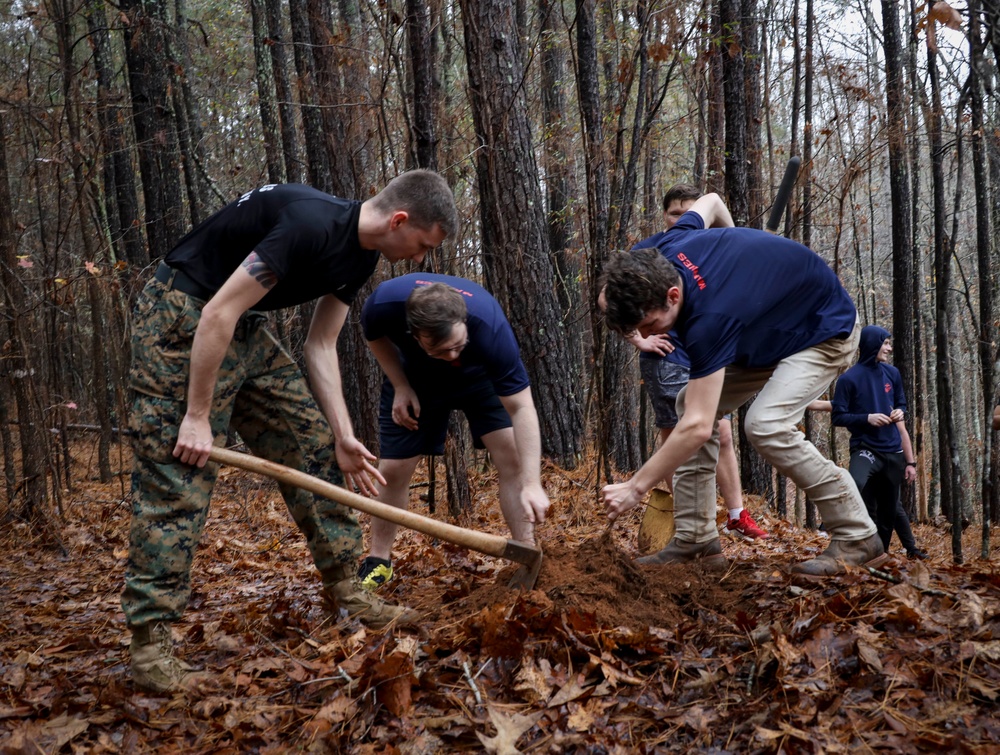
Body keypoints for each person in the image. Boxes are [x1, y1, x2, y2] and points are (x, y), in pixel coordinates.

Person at [124, 171, 459, 693]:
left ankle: (350, 585)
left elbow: (321, 344)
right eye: (421, 245)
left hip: (243, 328)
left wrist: (344, 434)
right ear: (399, 220)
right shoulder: (309, 223)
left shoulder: (361, 256)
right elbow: (216, 312)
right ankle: (149, 645)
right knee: (179, 475)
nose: (419, 259)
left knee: (313, 446)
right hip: (181, 317)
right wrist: (196, 416)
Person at [599, 192, 885, 577]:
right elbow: (713, 201)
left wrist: (636, 487)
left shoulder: (710, 318)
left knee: (764, 425)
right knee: (689, 403)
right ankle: (696, 538)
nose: (648, 334)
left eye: (650, 325)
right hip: (763, 334)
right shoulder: (661, 249)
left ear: (672, 295)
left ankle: (857, 535)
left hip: (822, 330)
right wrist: (741, 248)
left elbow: (700, 429)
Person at [356, 274, 549, 589]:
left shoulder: (490, 329)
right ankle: (379, 561)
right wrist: (401, 385)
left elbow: (522, 408)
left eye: (459, 345)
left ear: (464, 322)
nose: (453, 356)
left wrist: (532, 483)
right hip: (416, 378)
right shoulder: (384, 304)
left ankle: (526, 552)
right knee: (393, 469)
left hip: (479, 378)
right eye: (443, 350)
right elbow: (374, 337)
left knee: (513, 457)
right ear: (415, 334)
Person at [627, 183, 767, 540]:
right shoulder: (649, 251)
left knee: (717, 433)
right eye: (674, 212)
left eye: (685, 212)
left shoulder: (707, 248)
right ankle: (687, 523)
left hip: (705, 355)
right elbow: (614, 302)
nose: (680, 218)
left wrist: (741, 247)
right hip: (669, 355)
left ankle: (734, 514)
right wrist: (640, 339)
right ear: (665, 215)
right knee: (690, 432)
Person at [810, 326, 927, 559]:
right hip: (866, 448)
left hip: (893, 452)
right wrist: (867, 418)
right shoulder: (848, 379)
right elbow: (838, 416)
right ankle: (832, 523)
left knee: (889, 511)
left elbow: (902, 403)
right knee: (854, 481)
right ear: (873, 344)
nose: (889, 348)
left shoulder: (892, 373)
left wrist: (899, 413)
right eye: (885, 343)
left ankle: (879, 555)